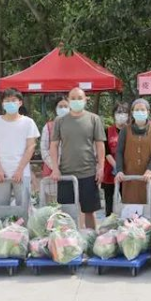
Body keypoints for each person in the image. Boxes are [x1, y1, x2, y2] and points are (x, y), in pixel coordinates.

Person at [50, 88, 106, 229]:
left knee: (89, 211)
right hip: (66, 174)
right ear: (68, 100)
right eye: (73, 98)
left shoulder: (94, 119)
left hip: (88, 173)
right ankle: (68, 239)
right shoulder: (60, 121)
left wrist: (101, 167)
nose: (76, 101)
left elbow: (100, 145)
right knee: (67, 213)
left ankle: (91, 238)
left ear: (86, 99)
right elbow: (54, 145)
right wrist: (55, 168)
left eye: (79, 98)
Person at [0, 88, 40, 208]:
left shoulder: (28, 123)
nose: (10, 103)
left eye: (14, 100)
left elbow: (31, 147)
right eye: (7, 100)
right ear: (2, 103)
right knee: (0, 208)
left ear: (20, 103)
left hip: (22, 173)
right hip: (1, 173)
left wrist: (20, 170)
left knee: (24, 208)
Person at [115, 99, 151, 217]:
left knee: (150, 208)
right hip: (130, 176)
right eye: (137, 110)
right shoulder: (125, 130)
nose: (140, 112)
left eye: (142, 109)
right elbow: (119, 152)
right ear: (132, 112)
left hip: (148, 176)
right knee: (131, 211)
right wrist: (119, 170)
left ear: (148, 111)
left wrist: (150, 169)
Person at [103, 102, 130, 216]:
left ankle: (129, 222)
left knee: (127, 201)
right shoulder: (107, 131)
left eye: (124, 112)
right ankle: (109, 222)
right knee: (109, 201)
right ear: (114, 114)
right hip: (110, 171)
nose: (121, 115)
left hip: (128, 171)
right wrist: (117, 167)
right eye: (119, 112)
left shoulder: (131, 131)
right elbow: (106, 152)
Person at [40, 97, 69, 177]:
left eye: (66, 106)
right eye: (60, 106)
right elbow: (44, 149)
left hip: (71, 169)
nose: (63, 109)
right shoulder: (48, 127)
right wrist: (54, 167)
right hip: (51, 171)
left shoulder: (76, 126)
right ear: (56, 109)